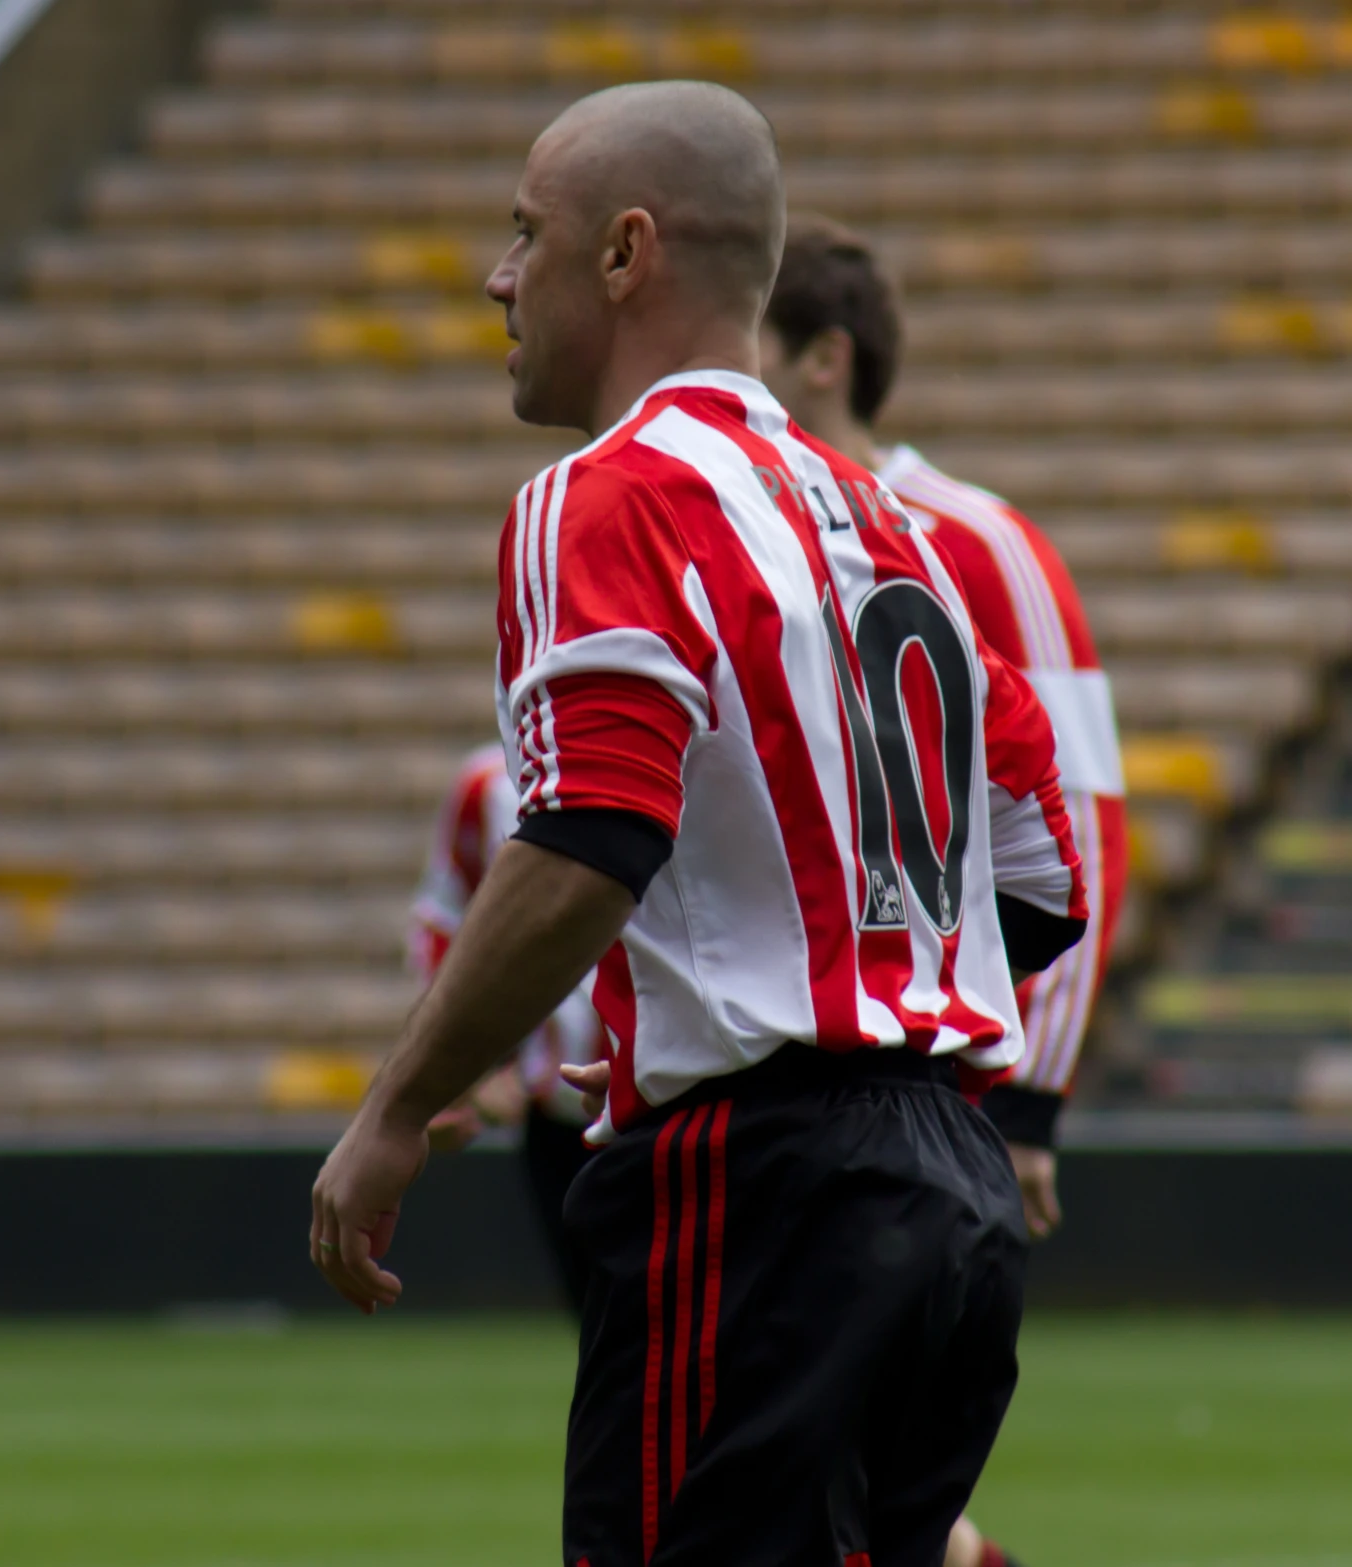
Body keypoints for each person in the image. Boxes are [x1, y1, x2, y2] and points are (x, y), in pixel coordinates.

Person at [310, 80, 1089, 1567]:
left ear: (624, 255)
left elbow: (589, 834)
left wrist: (398, 1103)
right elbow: (1038, 870)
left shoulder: (602, 498)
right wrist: (788, 970)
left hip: (761, 1198)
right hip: (951, 1195)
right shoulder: (886, 525)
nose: (495, 273)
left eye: (522, 232)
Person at [760, 216, 1131, 1567]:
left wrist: (1029, 1094)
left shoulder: (974, 537)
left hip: (930, 1098)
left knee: (838, 1490)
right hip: (796, 1092)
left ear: (820, 360)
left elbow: (1081, 814)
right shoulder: (757, 529)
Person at [409, 741, 601, 1310]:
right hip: (560, 1113)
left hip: (678, 1101)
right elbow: (445, 925)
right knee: (600, 1321)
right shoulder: (488, 784)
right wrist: (467, 1068)